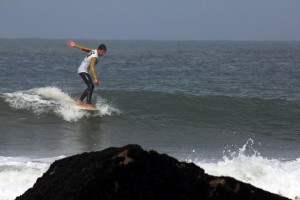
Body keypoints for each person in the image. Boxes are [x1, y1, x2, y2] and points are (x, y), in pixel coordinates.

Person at [68, 40, 107, 109]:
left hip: (83, 70)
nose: (103, 54)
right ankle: (88, 103)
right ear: (99, 50)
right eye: (102, 52)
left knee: (90, 86)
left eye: (104, 52)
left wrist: (74, 45)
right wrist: (95, 78)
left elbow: (84, 48)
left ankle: (80, 101)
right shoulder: (95, 56)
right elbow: (92, 68)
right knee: (91, 85)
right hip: (83, 70)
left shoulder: (94, 51)